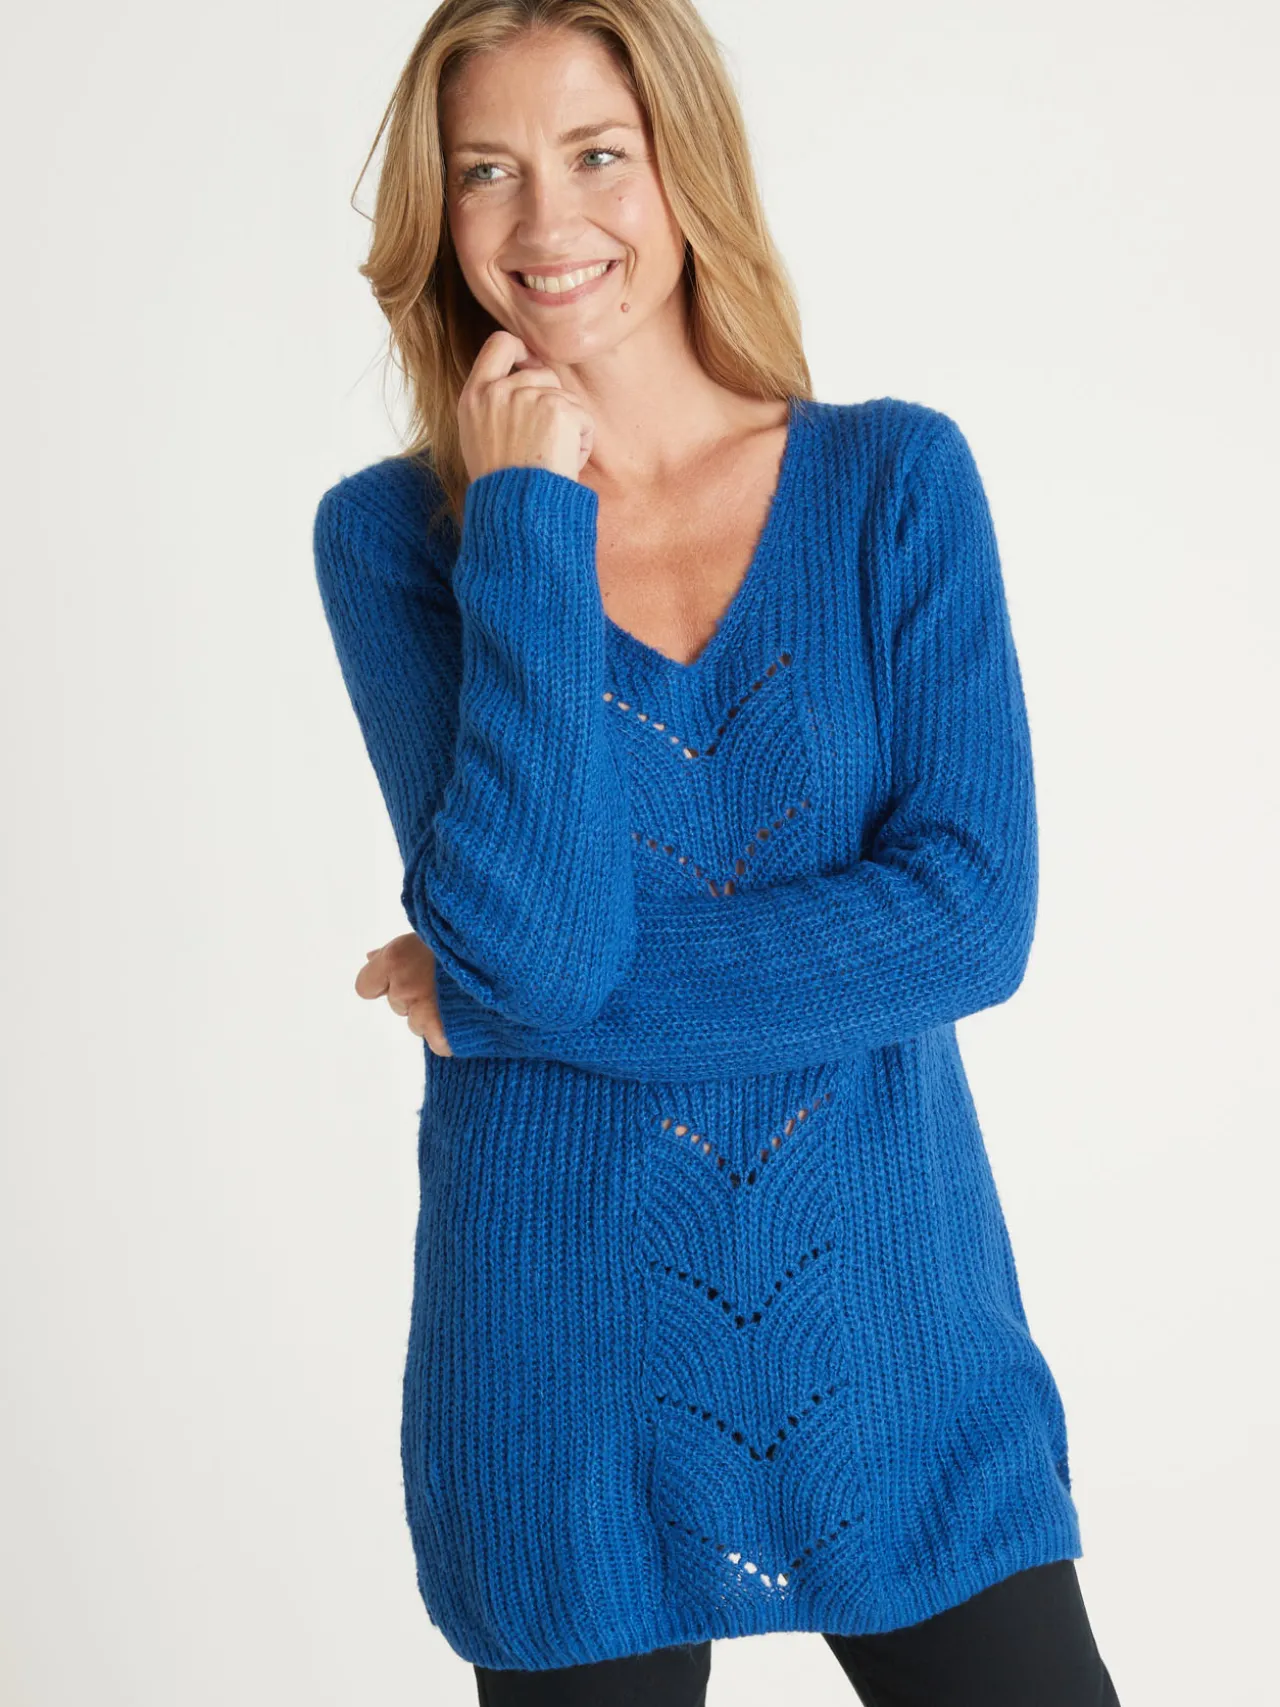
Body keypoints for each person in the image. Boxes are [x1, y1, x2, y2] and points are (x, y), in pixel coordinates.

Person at [311, 2, 1122, 1703]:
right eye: (487, 171)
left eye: (596, 153)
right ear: (440, 215)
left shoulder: (892, 483)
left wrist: (511, 1001)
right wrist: (525, 515)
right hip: (565, 1380)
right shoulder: (399, 538)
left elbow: (971, 917)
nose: (547, 221)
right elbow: (531, 933)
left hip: (901, 1349)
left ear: (686, 166)